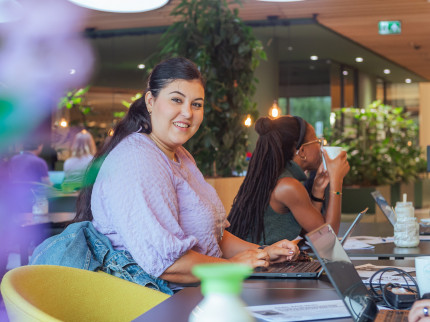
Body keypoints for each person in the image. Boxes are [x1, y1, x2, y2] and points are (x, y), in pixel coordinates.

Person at [30, 57, 298, 294]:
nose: (188, 113)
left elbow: (214, 237)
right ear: (150, 100)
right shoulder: (137, 159)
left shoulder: (180, 156)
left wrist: (262, 255)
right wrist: (233, 267)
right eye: (176, 100)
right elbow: (168, 265)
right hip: (153, 302)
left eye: (197, 104)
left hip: (201, 290)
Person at [227, 115, 350, 245]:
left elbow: (310, 230)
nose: (321, 148)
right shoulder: (288, 185)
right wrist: (337, 180)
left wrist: (317, 190)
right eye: (317, 142)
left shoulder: (281, 178)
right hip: (260, 264)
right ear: (302, 151)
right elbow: (327, 238)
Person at [8, 138, 51, 212]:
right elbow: (46, 184)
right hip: (34, 202)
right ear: (39, 146)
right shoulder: (39, 162)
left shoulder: (13, 159)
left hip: (13, 200)